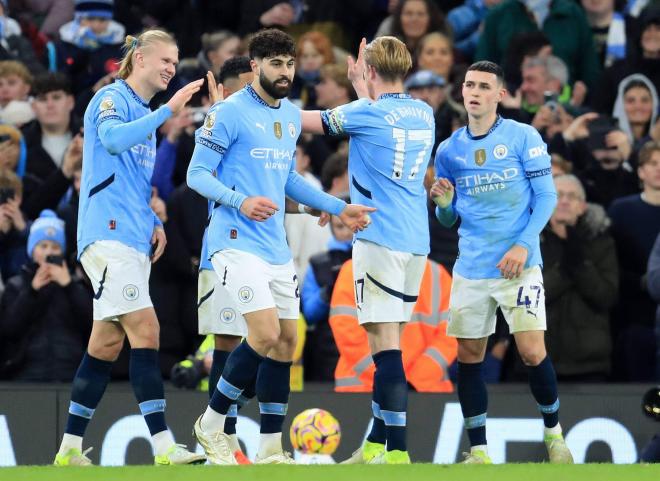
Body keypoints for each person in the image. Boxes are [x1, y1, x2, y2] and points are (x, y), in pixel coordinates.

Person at [186, 28, 373, 465]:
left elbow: (285, 177)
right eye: (275, 64)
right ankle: (211, 423)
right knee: (264, 333)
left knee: (287, 341)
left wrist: (335, 206)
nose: (285, 71)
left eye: (289, 64)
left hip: (274, 246)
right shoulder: (228, 113)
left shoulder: (289, 116)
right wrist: (240, 200)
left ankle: (271, 446)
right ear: (255, 66)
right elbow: (197, 174)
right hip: (233, 243)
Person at [54, 29, 206, 467]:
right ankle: (163, 446)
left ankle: (68, 449)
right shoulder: (111, 99)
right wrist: (167, 113)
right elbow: (113, 141)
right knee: (147, 330)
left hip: (132, 233)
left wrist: (154, 220)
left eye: (176, 64)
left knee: (104, 345)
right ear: (139, 57)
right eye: (165, 60)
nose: (171, 69)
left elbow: (132, 181)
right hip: (106, 236)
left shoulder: (142, 111)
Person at [301, 36, 435, 465]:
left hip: (378, 237)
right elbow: (379, 121)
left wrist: (250, 103)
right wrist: (363, 90)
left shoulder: (366, 112)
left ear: (371, 71)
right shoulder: (424, 111)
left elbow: (306, 120)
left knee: (385, 346)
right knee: (391, 338)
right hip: (416, 242)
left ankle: (397, 451)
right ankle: (375, 445)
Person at [431, 60, 573, 464]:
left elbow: (547, 197)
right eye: (469, 84)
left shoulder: (522, 136)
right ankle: (479, 451)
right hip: (472, 266)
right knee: (469, 355)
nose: (474, 91)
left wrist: (524, 245)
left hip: (519, 263)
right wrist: (443, 205)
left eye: (483, 86)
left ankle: (554, 436)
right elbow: (450, 216)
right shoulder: (449, 150)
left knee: (531, 351)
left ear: (500, 94)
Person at [541, 174, 618, 381]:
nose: (564, 201)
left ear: (582, 207)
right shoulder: (528, 243)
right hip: (537, 358)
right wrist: (566, 269)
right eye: (558, 195)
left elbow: (606, 295)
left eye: (572, 196)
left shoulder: (601, 243)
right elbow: (528, 298)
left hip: (589, 363)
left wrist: (580, 262)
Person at [0, 209, 91, 382]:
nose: (49, 252)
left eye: (55, 247)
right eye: (43, 246)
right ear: (32, 251)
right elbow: (10, 329)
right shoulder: (16, 285)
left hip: (71, 372)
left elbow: (91, 325)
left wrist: (69, 286)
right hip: (26, 373)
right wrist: (32, 290)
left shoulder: (76, 285)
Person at [608, 140, 660, 382]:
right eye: (653, 163)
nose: (658, 169)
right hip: (633, 317)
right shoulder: (621, 210)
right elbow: (610, 262)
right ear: (640, 171)